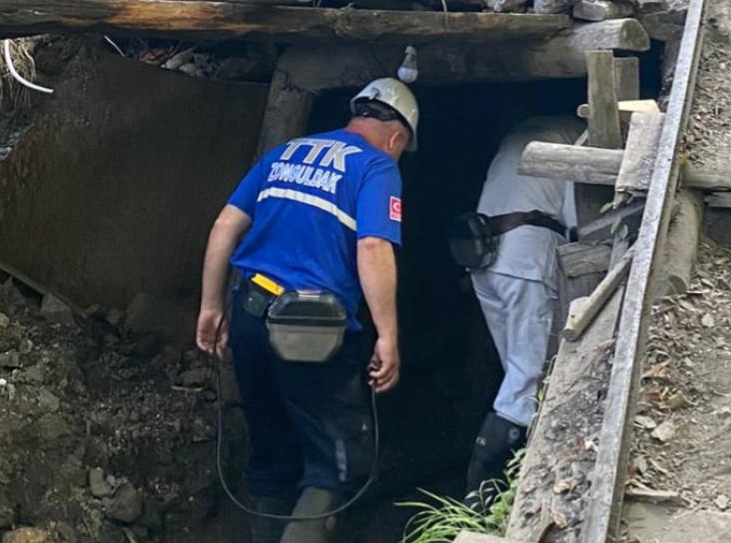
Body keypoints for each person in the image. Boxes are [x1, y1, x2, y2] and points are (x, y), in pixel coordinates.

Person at [195, 78, 418, 543]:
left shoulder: (287, 152)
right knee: (336, 464)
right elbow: (374, 245)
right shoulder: (378, 167)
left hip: (251, 313)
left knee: (270, 444)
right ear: (398, 137)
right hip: (312, 331)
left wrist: (212, 306)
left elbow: (224, 224)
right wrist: (388, 334)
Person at [464, 116, 581, 505]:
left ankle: (492, 489)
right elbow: (577, 218)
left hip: (483, 258)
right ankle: (484, 493)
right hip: (525, 260)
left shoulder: (516, 134)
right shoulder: (578, 139)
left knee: (515, 371)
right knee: (527, 380)